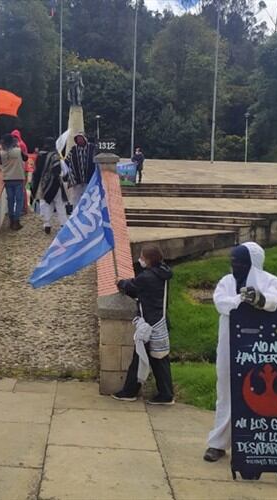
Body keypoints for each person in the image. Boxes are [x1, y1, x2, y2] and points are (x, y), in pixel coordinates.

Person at [203, 242, 277, 462]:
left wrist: (260, 299)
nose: (235, 266)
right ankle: (218, 443)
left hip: (260, 344)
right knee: (226, 390)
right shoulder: (227, 281)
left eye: (240, 263)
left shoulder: (271, 281)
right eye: (233, 262)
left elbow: (275, 300)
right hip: (229, 341)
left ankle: (254, 442)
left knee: (260, 389)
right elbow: (221, 303)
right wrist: (241, 299)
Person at [111, 246, 175, 404]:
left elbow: (132, 287)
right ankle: (166, 394)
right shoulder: (163, 272)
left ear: (148, 259)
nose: (140, 260)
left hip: (149, 323)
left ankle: (129, 392)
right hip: (160, 320)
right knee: (160, 359)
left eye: (142, 257)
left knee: (140, 357)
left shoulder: (147, 277)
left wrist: (120, 282)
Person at [29, 137, 68, 234]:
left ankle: (47, 224)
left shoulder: (39, 156)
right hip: (56, 183)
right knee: (60, 204)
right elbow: (61, 171)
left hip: (43, 184)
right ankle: (63, 224)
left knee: (46, 203)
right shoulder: (55, 156)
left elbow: (36, 172)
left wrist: (35, 186)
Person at [0, 133, 27, 230]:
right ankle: (16, 220)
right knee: (19, 200)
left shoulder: (1, 153)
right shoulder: (18, 151)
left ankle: (11, 219)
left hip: (7, 178)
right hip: (18, 177)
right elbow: (26, 158)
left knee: (10, 200)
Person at [67, 132, 97, 207]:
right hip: (77, 180)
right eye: (77, 139)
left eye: (81, 138)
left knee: (90, 197)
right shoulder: (73, 149)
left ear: (85, 139)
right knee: (76, 198)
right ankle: (76, 212)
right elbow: (67, 161)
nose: (79, 140)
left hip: (90, 179)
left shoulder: (93, 148)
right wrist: (71, 177)